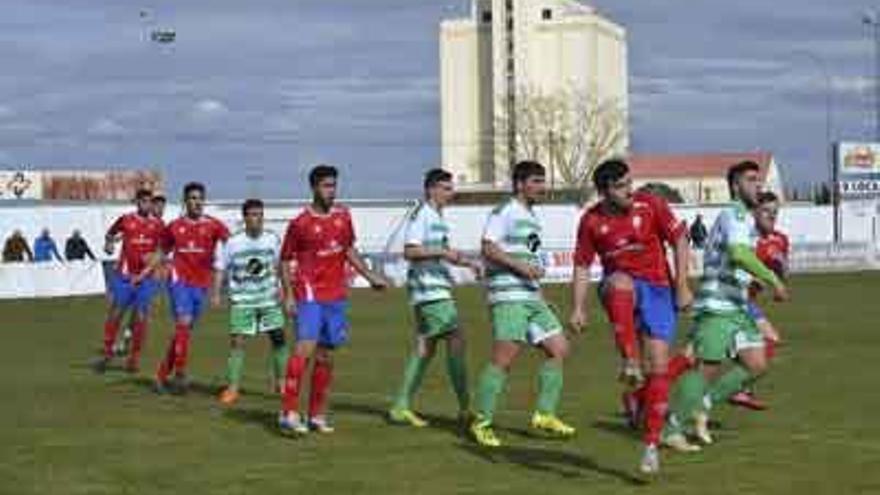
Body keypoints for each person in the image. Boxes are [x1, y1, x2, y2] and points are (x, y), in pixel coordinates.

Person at [569, 159, 692, 474]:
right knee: (620, 282)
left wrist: (682, 286)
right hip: (621, 289)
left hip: (659, 291)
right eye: (622, 186)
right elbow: (582, 264)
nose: (630, 190)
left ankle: (651, 444)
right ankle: (629, 361)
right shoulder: (591, 221)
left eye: (630, 182)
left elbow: (679, 238)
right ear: (604, 191)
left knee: (660, 369)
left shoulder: (651, 205)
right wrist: (579, 306)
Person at [664, 161, 789, 450]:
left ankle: (702, 405)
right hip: (717, 304)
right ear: (735, 186)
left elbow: (744, 259)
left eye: (759, 180)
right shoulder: (733, 214)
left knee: (757, 363)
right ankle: (671, 428)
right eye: (750, 179)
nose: (757, 184)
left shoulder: (745, 219)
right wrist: (773, 279)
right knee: (707, 367)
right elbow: (738, 254)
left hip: (736, 306)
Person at [468, 160, 575, 448]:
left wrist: (539, 294)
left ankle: (544, 414)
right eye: (536, 181)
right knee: (505, 358)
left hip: (530, 296)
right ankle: (481, 422)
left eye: (543, 181)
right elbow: (488, 247)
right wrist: (519, 267)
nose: (542, 187)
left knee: (560, 349)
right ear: (519, 184)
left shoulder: (532, 217)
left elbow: (531, 259)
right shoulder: (505, 211)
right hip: (508, 296)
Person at [277, 165, 390, 435]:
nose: (332, 191)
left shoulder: (343, 217)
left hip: (335, 293)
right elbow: (283, 260)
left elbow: (348, 248)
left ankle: (316, 414)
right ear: (314, 188)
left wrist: (370, 275)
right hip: (309, 292)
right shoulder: (300, 223)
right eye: (327, 186)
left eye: (334, 185)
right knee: (305, 347)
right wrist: (289, 295)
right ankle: (288, 411)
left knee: (326, 355)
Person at [388, 169, 482, 427]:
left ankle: (400, 406)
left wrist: (468, 263)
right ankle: (465, 408)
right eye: (445, 188)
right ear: (431, 189)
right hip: (429, 292)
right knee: (456, 338)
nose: (450, 193)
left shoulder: (437, 216)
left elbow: (441, 252)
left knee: (425, 348)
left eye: (450, 188)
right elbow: (410, 250)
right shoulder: (423, 215)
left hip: (431, 290)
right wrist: (443, 252)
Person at [154, 182, 230, 393]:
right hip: (179, 280)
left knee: (183, 331)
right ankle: (179, 373)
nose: (196, 202)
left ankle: (161, 375)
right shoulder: (174, 226)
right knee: (184, 323)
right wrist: (145, 273)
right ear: (185, 201)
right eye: (192, 198)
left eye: (199, 198)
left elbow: (232, 243)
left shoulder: (214, 225)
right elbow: (162, 251)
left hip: (201, 284)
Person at [214, 199, 288, 406]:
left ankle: (282, 382)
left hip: (268, 298)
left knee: (279, 338)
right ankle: (232, 387)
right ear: (245, 218)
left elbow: (281, 265)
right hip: (242, 300)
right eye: (253, 215)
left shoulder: (272, 239)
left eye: (260, 215)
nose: (257, 219)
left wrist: (284, 290)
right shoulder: (233, 242)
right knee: (237, 342)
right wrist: (216, 293)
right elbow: (221, 267)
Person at [728, 191, 789, 410]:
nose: (772, 216)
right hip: (728, 300)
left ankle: (738, 387)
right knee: (696, 359)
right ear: (754, 212)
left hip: (745, 303)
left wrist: (777, 283)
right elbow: (731, 265)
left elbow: (780, 270)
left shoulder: (780, 240)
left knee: (770, 339)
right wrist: (756, 278)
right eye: (766, 211)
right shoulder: (744, 238)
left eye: (775, 212)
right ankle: (736, 387)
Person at [93, 189, 165, 373]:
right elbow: (110, 234)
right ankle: (107, 353)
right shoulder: (125, 219)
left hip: (145, 279)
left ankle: (133, 359)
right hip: (124, 276)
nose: (146, 204)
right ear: (137, 202)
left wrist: (155, 264)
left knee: (141, 318)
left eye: (148, 201)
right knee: (116, 313)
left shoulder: (158, 224)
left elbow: (161, 250)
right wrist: (109, 244)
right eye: (142, 201)